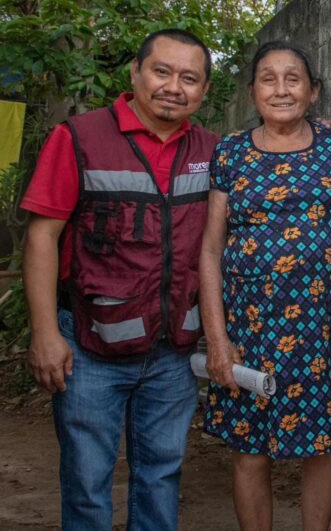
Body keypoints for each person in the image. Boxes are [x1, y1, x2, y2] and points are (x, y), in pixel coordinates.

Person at [21, 29, 218, 531]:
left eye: (189, 78)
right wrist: (45, 333)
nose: (174, 86)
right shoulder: (80, 137)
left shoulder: (215, 150)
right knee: (87, 481)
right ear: (135, 73)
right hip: (91, 347)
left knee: (161, 475)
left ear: (204, 90)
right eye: (162, 71)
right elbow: (43, 237)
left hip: (173, 350)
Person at [198, 41, 331, 531]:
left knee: (323, 444)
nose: (281, 89)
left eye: (293, 79)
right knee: (250, 449)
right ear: (252, 92)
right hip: (250, 328)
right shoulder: (230, 152)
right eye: (268, 79)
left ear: (313, 92)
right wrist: (217, 338)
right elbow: (210, 249)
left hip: (323, 326)